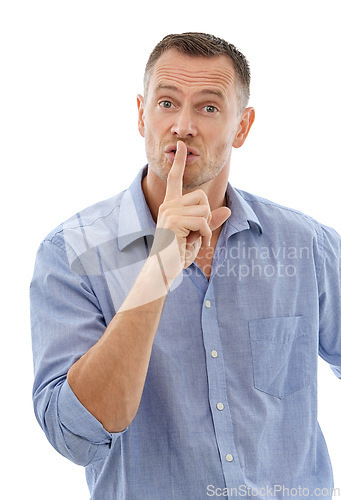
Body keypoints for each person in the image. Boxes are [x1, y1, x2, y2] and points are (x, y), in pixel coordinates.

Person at [30, 32, 341, 499]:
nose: (183, 126)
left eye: (209, 108)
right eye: (167, 103)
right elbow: (75, 435)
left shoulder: (307, 246)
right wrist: (159, 266)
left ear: (243, 126)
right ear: (141, 114)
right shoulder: (71, 253)